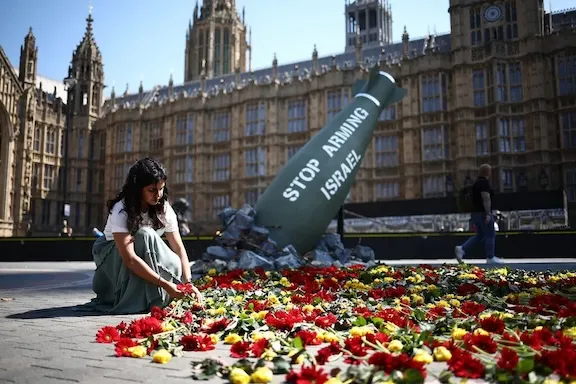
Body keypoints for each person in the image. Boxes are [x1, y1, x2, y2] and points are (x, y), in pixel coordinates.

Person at [85, 157, 203, 314]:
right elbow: (130, 260)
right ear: (138, 188)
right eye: (152, 190)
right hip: (114, 266)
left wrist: (188, 283)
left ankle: (156, 294)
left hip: (143, 263)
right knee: (145, 234)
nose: (158, 195)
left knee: (153, 242)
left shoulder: (164, 208)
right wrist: (166, 285)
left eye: (161, 189)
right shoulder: (121, 210)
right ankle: (150, 296)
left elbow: (178, 248)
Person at [455, 164, 503, 264]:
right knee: (490, 234)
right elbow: (486, 198)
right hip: (483, 213)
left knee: (480, 235)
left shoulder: (476, 184)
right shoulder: (484, 183)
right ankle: (490, 257)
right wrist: (488, 214)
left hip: (475, 214)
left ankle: (462, 248)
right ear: (488, 172)